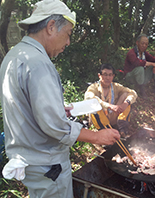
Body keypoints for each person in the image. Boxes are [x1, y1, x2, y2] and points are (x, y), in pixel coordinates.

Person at [0, 1, 120, 197]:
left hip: (31, 161)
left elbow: (26, 106)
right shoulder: (38, 63)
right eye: (68, 34)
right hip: (47, 165)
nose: (68, 42)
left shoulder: (14, 55)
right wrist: (97, 136)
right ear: (51, 27)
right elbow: (55, 126)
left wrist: (56, 108)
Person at [85, 63, 137, 137]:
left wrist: (126, 103)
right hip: (100, 119)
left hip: (113, 115)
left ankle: (122, 129)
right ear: (99, 76)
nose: (107, 78)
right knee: (93, 104)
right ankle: (104, 132)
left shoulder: (116, 86)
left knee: (126, 95)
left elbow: (133, 93)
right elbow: (88, 98)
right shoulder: (93, 87)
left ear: (113, 76)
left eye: (110, 75)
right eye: (105, 75)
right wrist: (109, 106)